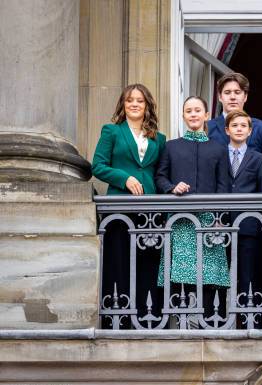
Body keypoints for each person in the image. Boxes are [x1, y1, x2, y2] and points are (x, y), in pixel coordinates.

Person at [92, 83, 166, 323]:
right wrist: (125, 179)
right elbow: (98, 166)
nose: (134, 104)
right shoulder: (111, 131)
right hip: (119, 209)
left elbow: (159, 173)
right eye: (130, 100)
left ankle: (149, 318)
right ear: (123, 105)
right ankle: (118, 317)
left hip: (151, 210)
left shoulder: (160, 138)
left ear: (147, 106)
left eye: (140, 101)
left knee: (149, 264)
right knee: (119, 261)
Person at [155, 96, 231, 322]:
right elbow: (160, 177)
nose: (194, 114)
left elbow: (224, 187)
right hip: (180, 221)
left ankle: (211, 325)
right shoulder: (171, 146)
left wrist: (219, 218)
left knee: (211, 277)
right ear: (184, 116)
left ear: (206, 115)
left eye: (198, 110)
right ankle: (179, 325)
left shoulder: (218, 149)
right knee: (179, 276)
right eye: (189, 111)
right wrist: (172, 187)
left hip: (210, 221)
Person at [225, 110, 262, 319]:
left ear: (250, 131)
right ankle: (220, 320)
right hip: (222, 224)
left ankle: (248, 319)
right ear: (227, 130)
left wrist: (259, 225)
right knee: (222, 275)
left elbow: (261, 192)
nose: (239, 129)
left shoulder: (258, 158)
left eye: (243, 126)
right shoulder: (219, 154)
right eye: (234, 125)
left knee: (247, 275)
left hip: (248, 225)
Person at [207, 72, 262, 191]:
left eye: (237, 92)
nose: (232, 97)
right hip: (216, 202)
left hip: (251, 204)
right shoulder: (207, 127)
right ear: (220, 97)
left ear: (245, 96)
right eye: (227, 92)